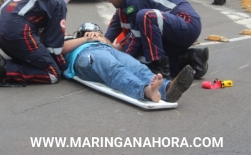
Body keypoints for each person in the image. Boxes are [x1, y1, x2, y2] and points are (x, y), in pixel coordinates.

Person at [101, 0, 210, 79]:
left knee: (144, 19)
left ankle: (160, 69)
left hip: (186, 23)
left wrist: (122, 59)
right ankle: (192, 59)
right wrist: (107, 39)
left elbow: (135, 36)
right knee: (144, 55)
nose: (107, 1)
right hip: (175, 25)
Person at [62, 23, 195, 103]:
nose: (93, 35)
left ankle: (166, 89)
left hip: (108, 50)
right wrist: (86, 39)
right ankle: (146, 91)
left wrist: (102, 39)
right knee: (115, 69)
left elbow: (115, 47)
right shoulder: (73, 40)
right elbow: (62, 48)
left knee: (137, 67)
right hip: (87, 55)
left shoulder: (103, 41)